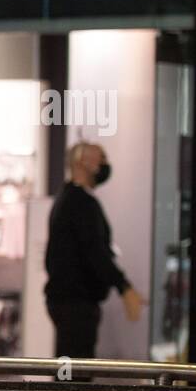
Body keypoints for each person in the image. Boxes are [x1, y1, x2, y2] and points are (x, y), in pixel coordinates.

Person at [44, 141, 144, 359]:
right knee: (75, 371)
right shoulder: (79, 202)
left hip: (70, 301)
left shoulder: (70, 198)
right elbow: (95, 251)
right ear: (83, 163)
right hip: (75, 303)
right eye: (100, 158)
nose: (104, 164)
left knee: (71, 367)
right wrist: (123, 286)